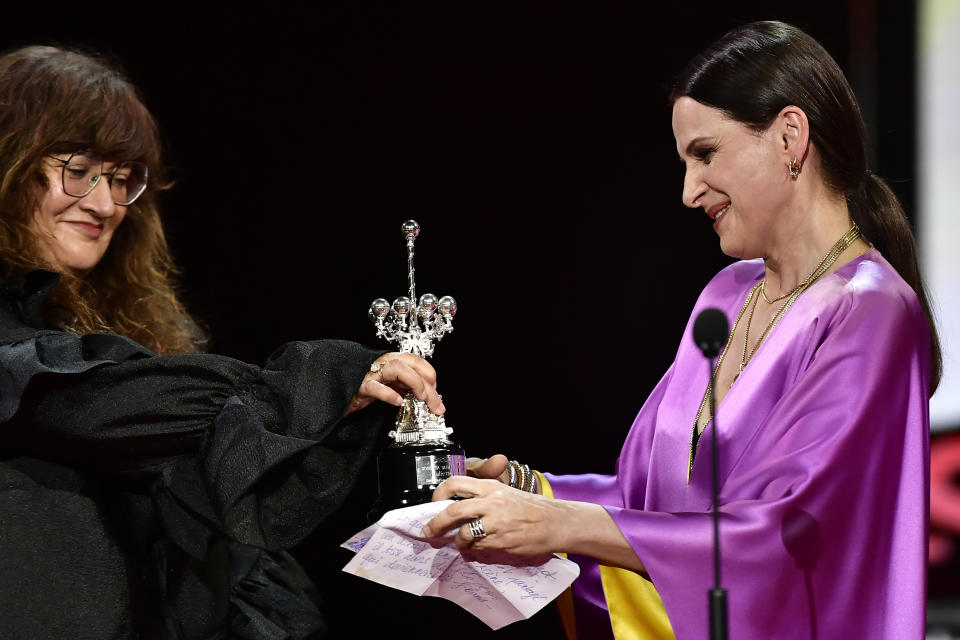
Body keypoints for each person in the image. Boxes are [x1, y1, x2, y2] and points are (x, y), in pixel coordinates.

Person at [423, 21, 940, 639]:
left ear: (789, 137)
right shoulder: (725, 294)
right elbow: (658, 505)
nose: (690, 191)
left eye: (705, 154)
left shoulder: (873, 311)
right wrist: (529, 493)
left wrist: (559, 526)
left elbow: (791, 536)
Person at [0, 45, 444, 639]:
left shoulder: (142, 330)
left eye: (123, 180)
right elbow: (85, 399)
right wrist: (311, 384)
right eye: (78, 172)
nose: (105, 205)